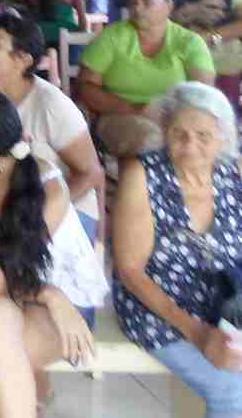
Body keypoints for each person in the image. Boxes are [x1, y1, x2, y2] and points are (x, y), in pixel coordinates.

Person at [0, 87, 108, 418]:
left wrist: (55, 297)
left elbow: (7, 277)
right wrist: (50, 296)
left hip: (62, 304)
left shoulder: (50, 191)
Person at [113, 82, 242, 416]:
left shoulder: (234, 175)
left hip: (226, 303)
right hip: (159, 307)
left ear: (224, 137)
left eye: (203, 136)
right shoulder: (141, 175)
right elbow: (130, 272)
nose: (190, 146)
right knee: (231, 390)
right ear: (164, 131)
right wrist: (199, 334)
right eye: (178, 134)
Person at [0, 10, 103, 236]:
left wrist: (39, 219)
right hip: (14, 208)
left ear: (22, 60)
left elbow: (91, 173)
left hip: (66, 211)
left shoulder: (51, 105)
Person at [78, 0, 214, 157]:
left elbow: (202, 92)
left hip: (178, 119)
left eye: (146, 2)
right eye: (133, 2)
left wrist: (172, 118)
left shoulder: (190, 42)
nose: (137, 8)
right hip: (119, 116)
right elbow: (86, 88)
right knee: (150, 139)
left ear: (169, 5)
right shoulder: (112, 37)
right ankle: (142, 184)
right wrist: (138, 109)